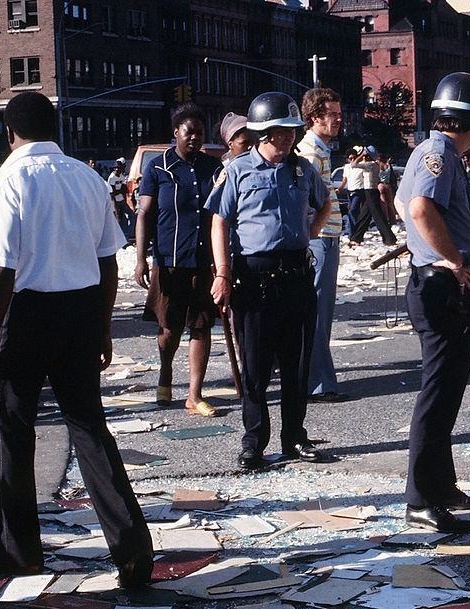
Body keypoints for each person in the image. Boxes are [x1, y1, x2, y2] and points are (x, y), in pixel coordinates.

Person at [0, 92, 153, 587]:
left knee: (13, 431)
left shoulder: (9, 179)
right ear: (55, 129)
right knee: (88, 428)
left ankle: (20, 549)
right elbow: (106, 261)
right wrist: (101, 326)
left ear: (10, 133)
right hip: (79, 308)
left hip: (27, 311)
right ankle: (132, 548)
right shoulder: (87, 177)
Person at [206, 92, 332, 470]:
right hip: (253, 276)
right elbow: (220, 221)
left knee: (296, 363)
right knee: (256, 369)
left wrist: (310, 231)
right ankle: (253, 442)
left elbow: (324, 202)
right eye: (279, 133)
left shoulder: (302, 170)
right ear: (262, 133)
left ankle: (295, 437)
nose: (287, 139)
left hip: (295, 274)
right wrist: (223, 273)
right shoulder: (238, 170)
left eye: (291, 132)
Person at [397, 72, 470, 533]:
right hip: (440, 283)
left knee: (449, 388)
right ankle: (419, 498)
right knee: (437, 394)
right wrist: (454, 261)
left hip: (435, 279)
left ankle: (443, 487)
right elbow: (419, 209)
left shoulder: (425, 151)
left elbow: (400, 202)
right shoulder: (440, 156)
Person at [134, 104, 223, 417]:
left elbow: (221, 215)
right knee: (169, 328)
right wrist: (141, 259)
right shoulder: (158, 168)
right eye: (189, 133)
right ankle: (165, 371)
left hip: (203, 262)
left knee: (201, 326)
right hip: (169, 261)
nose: (195, 138)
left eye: (199, 133)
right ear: (176, 134)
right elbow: (144, 213)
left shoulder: (213, 168)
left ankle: (194, 394)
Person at [296, 87, 349, 404]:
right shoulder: (311, 154)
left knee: (321, 311)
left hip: (325, 237)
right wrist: (312, 235)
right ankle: (318, 383)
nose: (339, 120)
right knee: (317, 311)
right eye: (333, 115)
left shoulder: (321, 151)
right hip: (320, 240)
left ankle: (316, 378)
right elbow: (308, 203)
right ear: (315, 117)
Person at [349, 145, 398, 246]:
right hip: (372, 191)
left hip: (370, 191)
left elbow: (353, 165)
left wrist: (361, 155)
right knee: (364, 215)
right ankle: (356, 237)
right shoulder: (374, 164)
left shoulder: (369, 165)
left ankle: (389, 238)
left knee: (378, 215)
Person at [107, 157, 132, 237]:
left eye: (119, 168)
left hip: (122, 200)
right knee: (119, 219)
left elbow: (124, 190)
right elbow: (112, 193)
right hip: (115, 202)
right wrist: (115, 208)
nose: (117, 170)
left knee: (131, 215)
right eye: (116, 168)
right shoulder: (111, 178)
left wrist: (122, 193)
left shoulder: (121, 176)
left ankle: (130, 233)